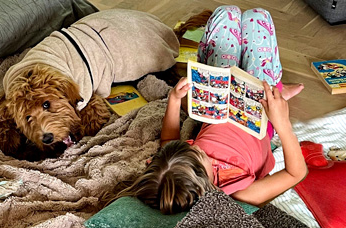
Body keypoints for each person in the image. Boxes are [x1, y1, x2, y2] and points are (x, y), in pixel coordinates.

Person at [123, 6, 307, 214]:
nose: (198, 147)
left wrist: (174, 100)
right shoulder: (241, 191)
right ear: (205, 187)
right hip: (261, 112)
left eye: (192, 147)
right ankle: (278, 91)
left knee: (225, 15)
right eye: (200, 154)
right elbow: (295, 173)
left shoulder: (175, 164)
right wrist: (283, 123)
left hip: (216, 100)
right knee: (258, 18)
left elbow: (168, 142)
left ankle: (277, 91)